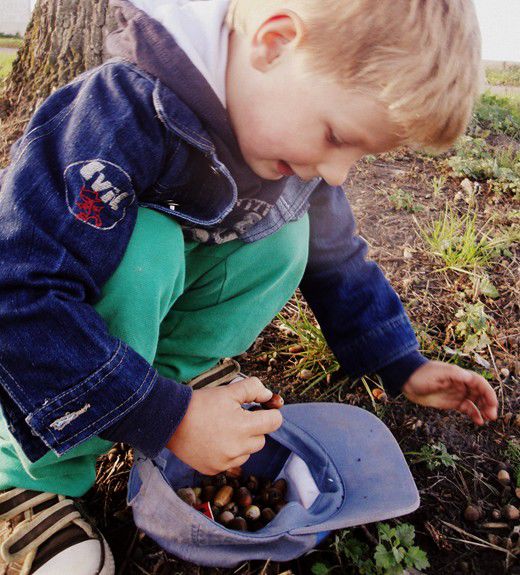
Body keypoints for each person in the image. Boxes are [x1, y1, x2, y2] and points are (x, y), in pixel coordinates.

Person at [0, 0, 498, 572]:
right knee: (144, 253)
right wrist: (172, 419)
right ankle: (27, 479)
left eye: (359, 155)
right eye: (337, 135)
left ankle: (171, 378)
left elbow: (339, 261)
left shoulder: (286, 143)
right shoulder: (119, 115)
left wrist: (401, 362)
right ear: (275, 43)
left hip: (144, 324)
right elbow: (19, 298)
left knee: (289, 238)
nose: (337, 173)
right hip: (47, 341)